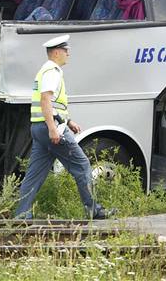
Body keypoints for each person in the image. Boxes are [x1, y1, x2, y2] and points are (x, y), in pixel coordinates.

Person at [15, 34, 115, 220]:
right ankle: (93, 209)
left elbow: (53, 105)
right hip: (50, 129)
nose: (68, 53)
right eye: (65, 50)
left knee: (34, 175)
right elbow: (46, 99)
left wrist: (68, 121)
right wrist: (53, 128)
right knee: (83, 165)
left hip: (39, 128)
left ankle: (21, 215)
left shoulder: (45, 70)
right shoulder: (52, 71)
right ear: (56, 52)